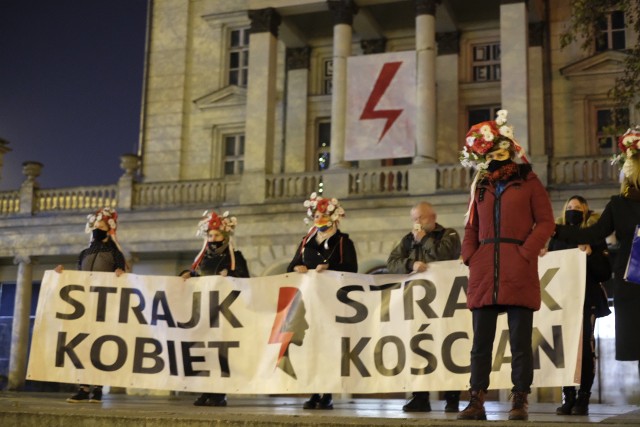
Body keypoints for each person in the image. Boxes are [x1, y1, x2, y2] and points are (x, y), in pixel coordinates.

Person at [457, 110, 555, 421]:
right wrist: (470, 255)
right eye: (493, 150)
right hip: (485, 267)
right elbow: (471, 225)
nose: (499, 155)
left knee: (520, 341)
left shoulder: (528, 181)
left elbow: (546, 221)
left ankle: (519, 400)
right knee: (480, 343)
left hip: (517, 265)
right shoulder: (482, 185)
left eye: (503, 148)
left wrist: (526, 251)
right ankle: (476, 400)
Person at [553, 126, 640, 385]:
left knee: (636, 343)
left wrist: (555, 229)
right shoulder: (617, 204)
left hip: (629, 279)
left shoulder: (618, 204)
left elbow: (592, 234)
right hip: (630, 280)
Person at [387, 201, 462, 413]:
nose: (416, 223)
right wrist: (410, 264)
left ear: (433, 217)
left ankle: (452, 398)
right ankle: (420, 397)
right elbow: (392, 262)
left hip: (446, 303)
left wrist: (425, 240)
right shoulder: (408, 240)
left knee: (448, 347)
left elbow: (446, 256)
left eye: (420, 218)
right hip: (418, 305)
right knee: (419, 348)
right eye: (414, 219)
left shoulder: (449, 235)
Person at [287, 192, 358, 410]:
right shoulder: (306, 241)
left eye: (324, 215)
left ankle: (327, 392)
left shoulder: (343, 241)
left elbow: (351, 269)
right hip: (310, 303)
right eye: (317, 215)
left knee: (329, 346)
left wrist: (330, 268)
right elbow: (290, 267)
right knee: (312, 347)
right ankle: (314, 390)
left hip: (333, 302)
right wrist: (297, 267)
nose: (320, 219)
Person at [545, 196, 611, 416]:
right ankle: (568, 396)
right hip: (562, 301)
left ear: (585, 211)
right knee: (564, 350)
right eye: (569, 207)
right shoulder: (556, 238)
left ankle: (583, 397)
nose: (572, 211)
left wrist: (591, 254)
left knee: (584, 348)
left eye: (577, 208)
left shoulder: (594, 236)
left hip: (586, 299)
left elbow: (604, 272)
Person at [55, 207, 127, 403]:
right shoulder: (84, 253)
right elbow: (78, 275)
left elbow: (124, 275)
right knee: (83, 344)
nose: (97, 229)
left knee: (101, 346)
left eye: (101, 226)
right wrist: (63, 274)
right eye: (95, 226)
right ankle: (83, 387)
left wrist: (121, 273)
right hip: (85, 305)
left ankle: (99, 388)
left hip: (105, 305)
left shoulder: (115, 253)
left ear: (109, 229)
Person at [181, 209, 249, 407]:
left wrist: (232, 274)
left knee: (220, 352)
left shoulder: (235, 256)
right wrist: (187, 274)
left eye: (217, 235)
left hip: (224, 312)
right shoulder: (202, 258)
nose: (213, 239)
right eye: (210, 235)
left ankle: (219, 392)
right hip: (203, 310)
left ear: (225, 236)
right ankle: (205, 389)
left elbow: (246, 280)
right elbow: (198, 276)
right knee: (204, 351)